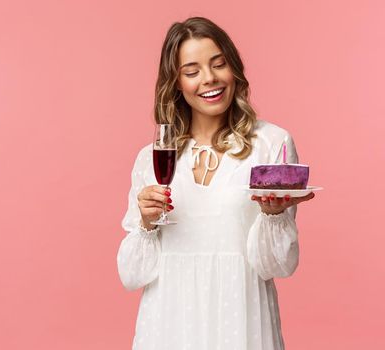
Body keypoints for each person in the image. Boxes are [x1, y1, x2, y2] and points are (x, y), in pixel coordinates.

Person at [116, 17, 316, 349]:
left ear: (233, 69)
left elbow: (277, 266)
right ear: (176, 83)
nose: (209, 79)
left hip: (242, 320)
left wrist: (273, 216)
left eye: (218, 64)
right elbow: (131, 275)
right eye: (192, 71)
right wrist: (147, 224)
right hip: (168, 323)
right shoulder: (152, 157)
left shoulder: (271, 143)